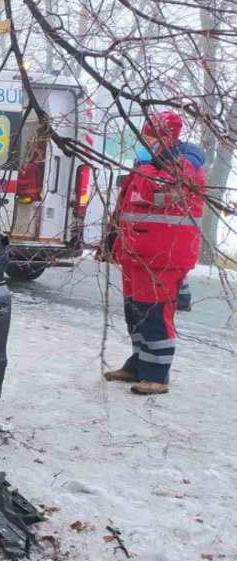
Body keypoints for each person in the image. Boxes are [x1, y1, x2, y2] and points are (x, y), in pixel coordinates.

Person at [103, 111, 205, 396]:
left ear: (164, 137)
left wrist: (145, 168)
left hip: (162, 256)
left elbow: (156, 195)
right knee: (135, 314)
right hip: (137, 252)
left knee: (155, 315)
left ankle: (157, 375)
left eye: (149, 135)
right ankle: (139, 365)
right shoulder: (152, 161)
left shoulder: (183, 165)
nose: (144, 140)